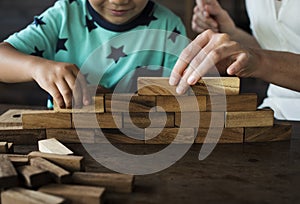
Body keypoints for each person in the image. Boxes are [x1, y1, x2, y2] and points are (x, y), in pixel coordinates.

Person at [0, 0, 187, 108]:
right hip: (65, 136)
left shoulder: (169, 27)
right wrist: (36, 68)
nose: (119, 1)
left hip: (141, 139)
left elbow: (180, 98)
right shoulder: (65, 15)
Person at [169, 0, 300, 121]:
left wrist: (259, 60)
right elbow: (275, 49)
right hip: (275, 109)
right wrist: (231, 34)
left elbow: (263, 61)